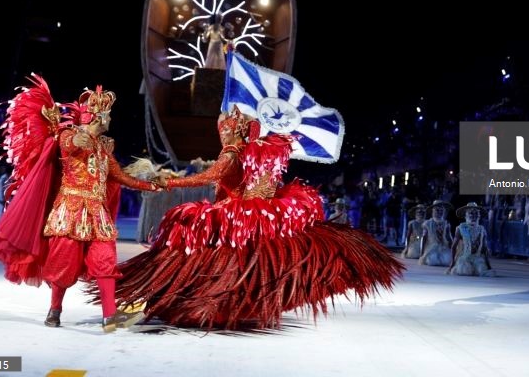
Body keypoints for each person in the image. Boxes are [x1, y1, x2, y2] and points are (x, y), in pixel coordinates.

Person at [111, 106, 405, 330]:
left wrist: (168, 182)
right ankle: (233, 307)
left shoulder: (231, 153)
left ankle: (193, 305)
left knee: (203, 248)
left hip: (237, 219)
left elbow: (207, 176)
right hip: (254, 216)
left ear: (235, 131)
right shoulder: (260, 151)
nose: (221, 134)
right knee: (244, 267)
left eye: (224, 129)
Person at [0, 77, 161, 332]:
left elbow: (122, 178)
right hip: (70, 212)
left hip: (97, 215)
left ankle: (110, 316)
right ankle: (55, 309)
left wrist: (155, 185)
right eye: (108, 114)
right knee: (63, 267)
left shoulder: (103, 149)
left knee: (105, 262)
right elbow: (67, 146)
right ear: (97, 117)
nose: (111, 119)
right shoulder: (69, 136)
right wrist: (78, 139)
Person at [449, 202, 494, 277]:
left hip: (477, 258)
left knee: (481, 270)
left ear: (479, 216)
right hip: (465, 258)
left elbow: (484, 249)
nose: (474, 216)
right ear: (466, 215)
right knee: (465, 270)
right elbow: (454, 247)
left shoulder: (482, 229)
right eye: (471, 213)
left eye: (476, 213)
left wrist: (488, 265)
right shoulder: (461, 228)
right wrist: (452, 262)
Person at [419, 200, 453, 266]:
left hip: (443, 248)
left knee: (446, 259)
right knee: (432, 260)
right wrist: (422, 253)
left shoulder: (446, 224)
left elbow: (449, 238)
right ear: (433, 211)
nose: (439, 212)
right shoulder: (427, 224)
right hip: (431, 248)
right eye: (437, 210)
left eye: (441, 211)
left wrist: (454, 250)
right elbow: (423, 238)